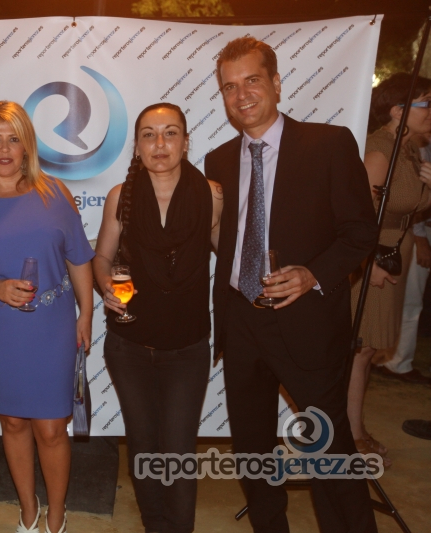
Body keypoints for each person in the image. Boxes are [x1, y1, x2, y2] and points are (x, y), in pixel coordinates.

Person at [205, 37, 379, 532]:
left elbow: (360, 232)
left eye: (252, 81)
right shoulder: (218, 160)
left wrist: (312, 273)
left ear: (277, 83)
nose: (241, 95)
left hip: (306, 321)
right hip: (241, 319)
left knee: (329, 447)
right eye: (230, 87)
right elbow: (230, 237)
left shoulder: (329, 144)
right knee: (252, 447)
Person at [0, 101, 94, 533]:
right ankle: (28, 510)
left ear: (27, 146)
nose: (5, 149)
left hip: (52, 328)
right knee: (11, 422)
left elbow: (78, 257)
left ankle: (57, 513)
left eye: (14, 139)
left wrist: (86, 313)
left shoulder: (56, 193)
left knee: (51, 428)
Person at [92, 103, 222, 533]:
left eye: (170, 133)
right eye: (149, 134)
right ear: (137, 146)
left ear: (186, 142)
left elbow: (233, 257)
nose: (160, 143)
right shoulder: (121, 197)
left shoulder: (212, 195)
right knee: (144, 445)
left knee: (179, 451)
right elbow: (102, 258)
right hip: (128, 345)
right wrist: (104, 284)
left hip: (187, 347)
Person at [349, 73, 431, 464]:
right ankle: (351, 434)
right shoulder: (379, 150)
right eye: (426, 104)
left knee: (367, 350)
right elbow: (355, 215)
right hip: (375, 258)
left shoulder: (411, 150)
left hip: (395, 254)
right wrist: (368, 265)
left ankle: (353, 428)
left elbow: (410, 204)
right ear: (398, 111)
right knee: (359, 350)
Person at [374, 131, 431, 386]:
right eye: (426, 110)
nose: (429, 114)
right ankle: (396, 362)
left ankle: (391, 359)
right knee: (409, 300)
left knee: (408, 301)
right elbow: (411, 199)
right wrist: (420, 237)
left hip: (411, 232)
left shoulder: (417, 145)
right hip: (409, 232)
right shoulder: (412, 145)